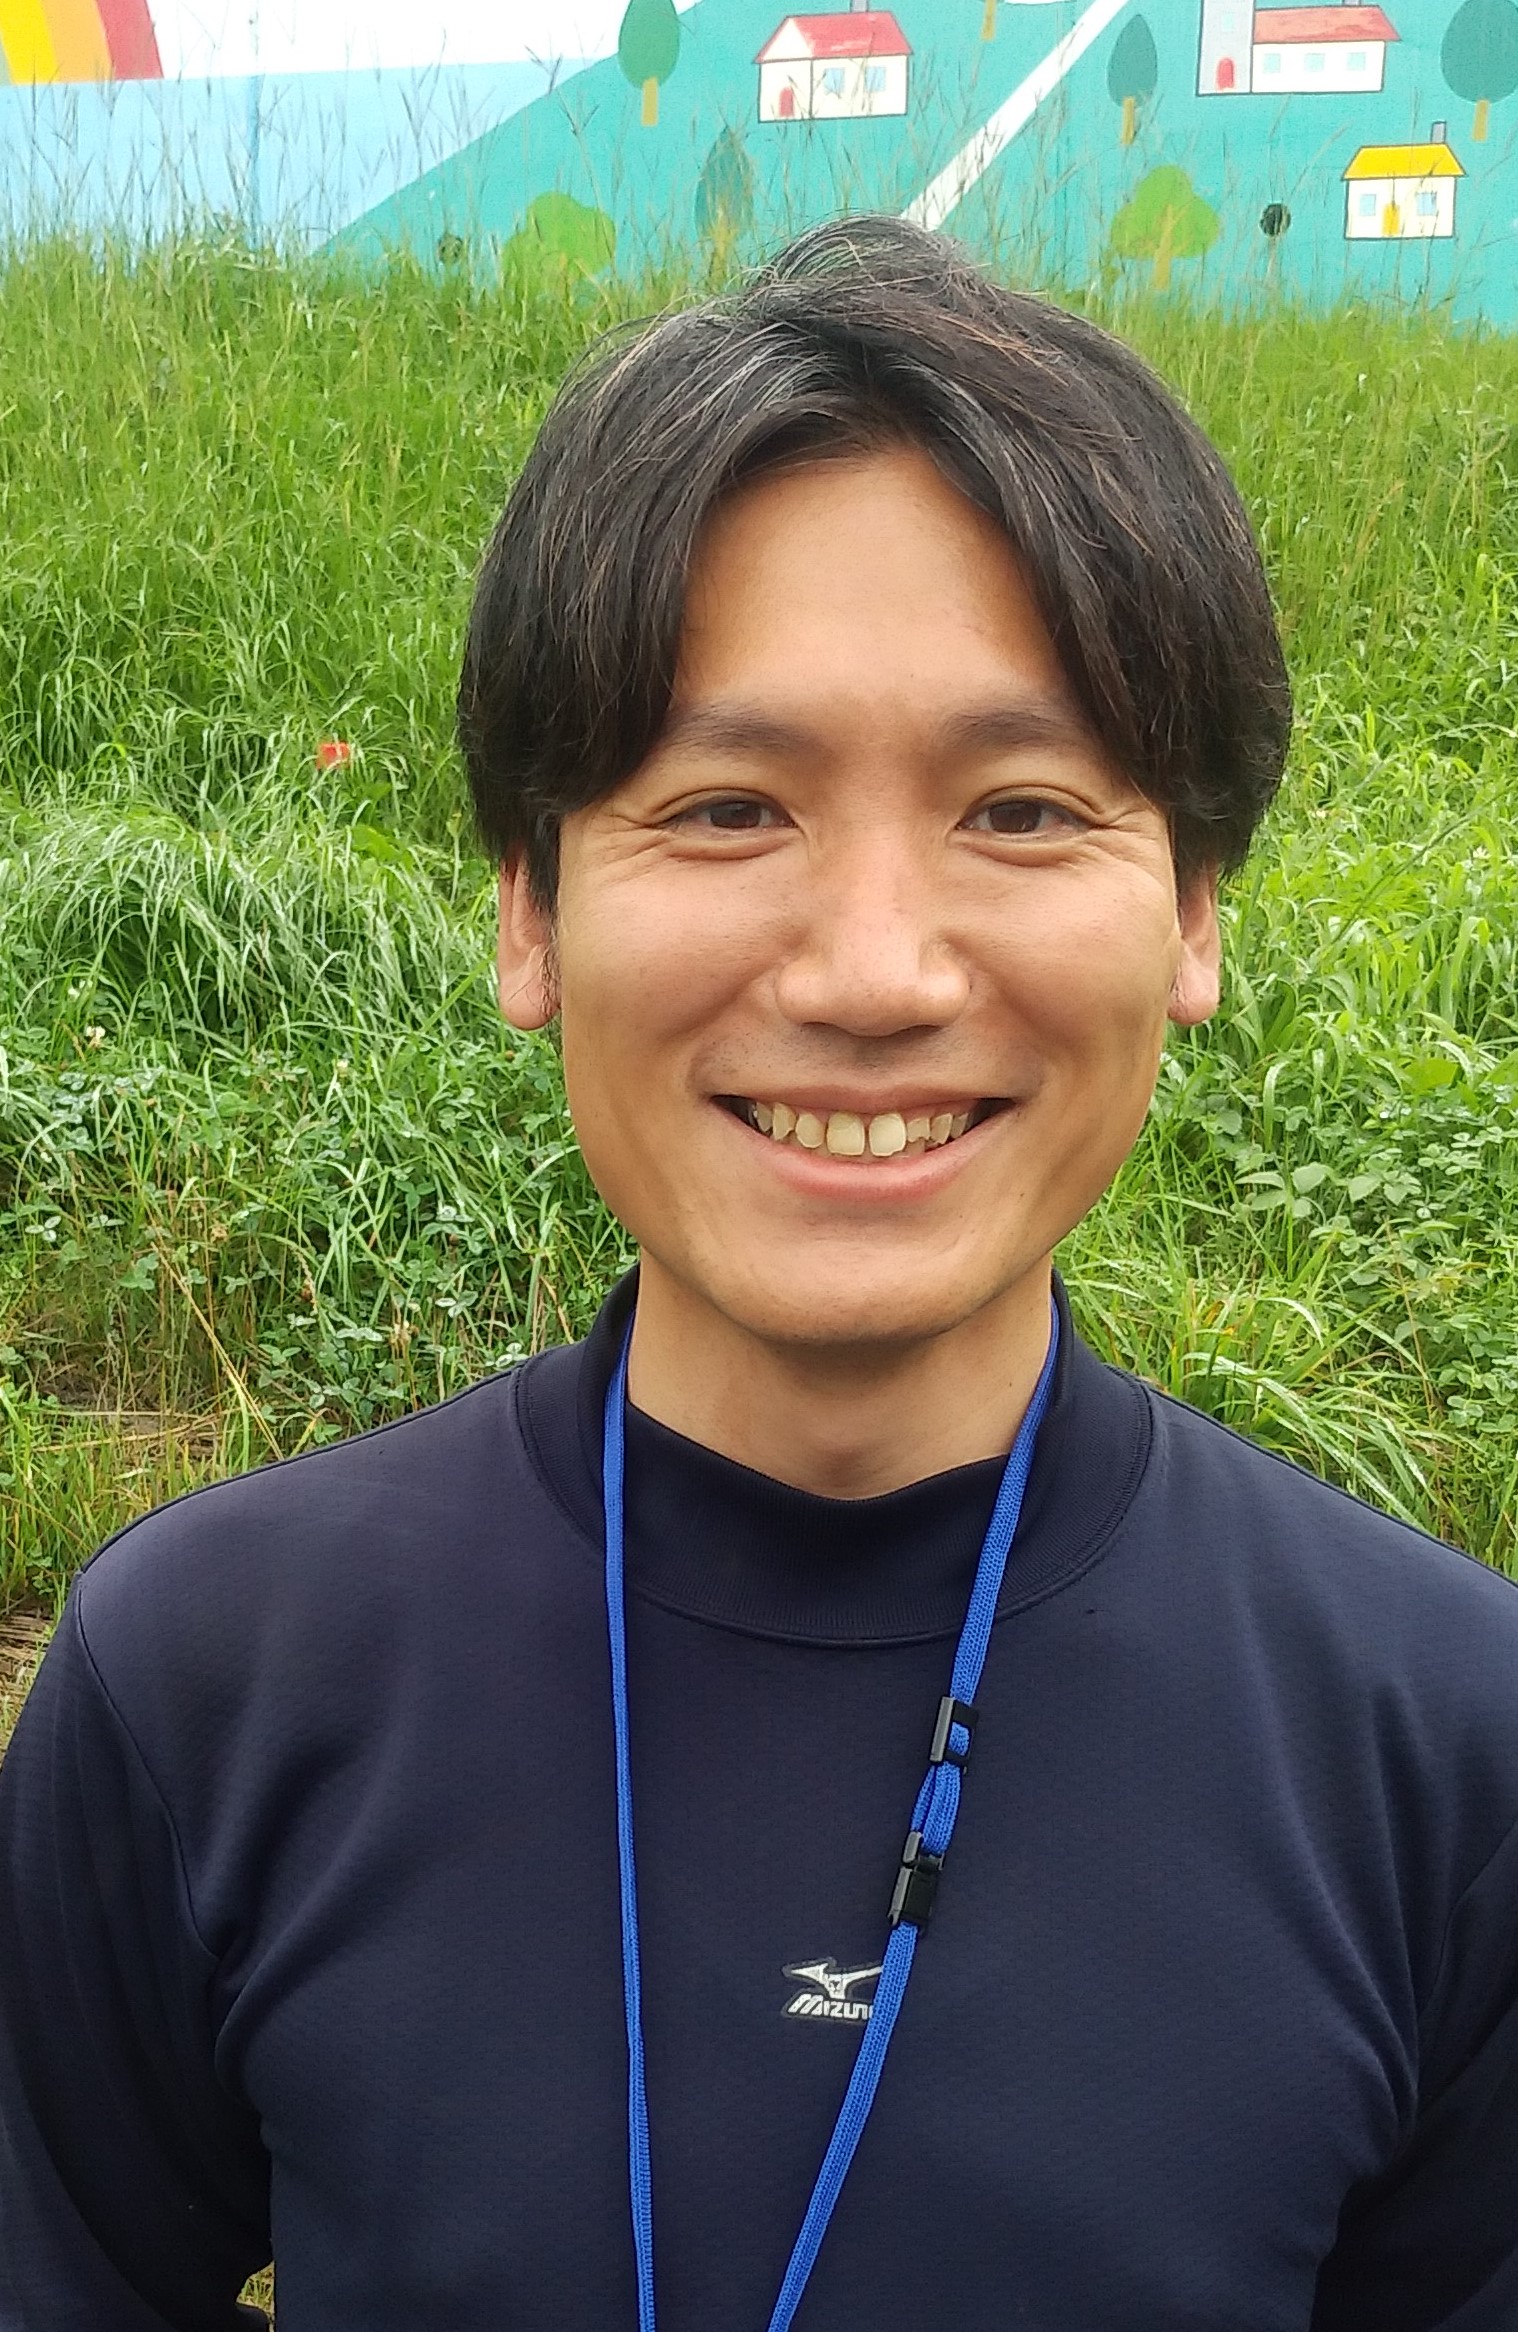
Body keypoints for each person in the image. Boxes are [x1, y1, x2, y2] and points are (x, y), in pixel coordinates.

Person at [2, 216, 1515, 2332]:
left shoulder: (1447, 1748)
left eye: (1022, 809)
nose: (874, 972)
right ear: (529, 910)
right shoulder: (202, 1685)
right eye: (724, 808)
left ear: (1192, 911)